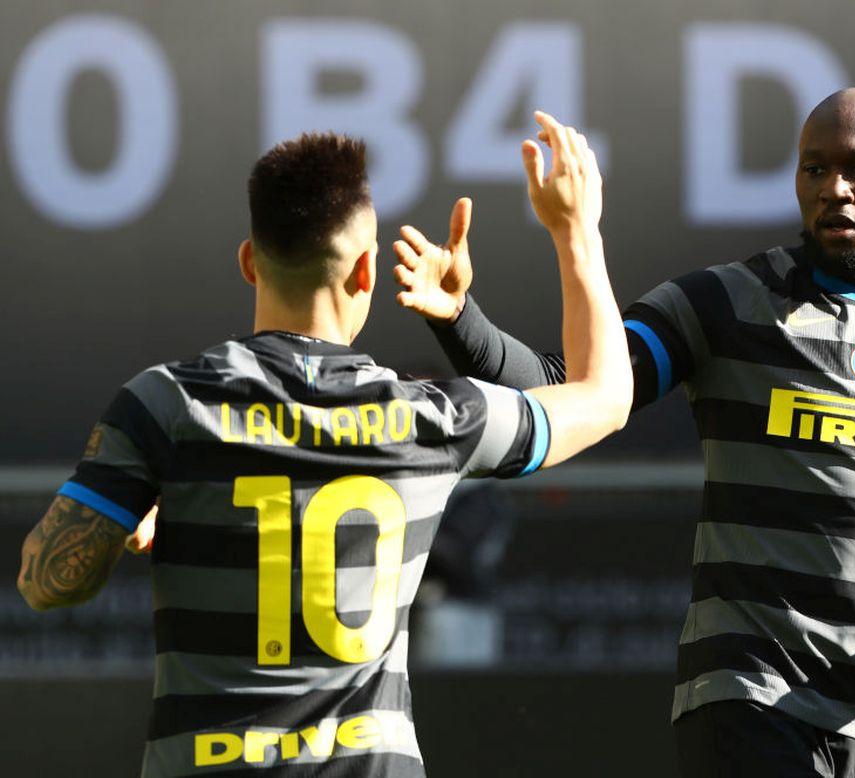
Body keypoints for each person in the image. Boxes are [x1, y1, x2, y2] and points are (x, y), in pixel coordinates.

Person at [395, 88, 855, 777]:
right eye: (814, 169)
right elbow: (576, 383)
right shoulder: (725, 302)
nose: (834, 189)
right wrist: (459, 319)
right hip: (752, 703)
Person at [16, 111, 631, 776]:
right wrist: (575, 233)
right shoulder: (433, 418)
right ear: (366, 271)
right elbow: (605, 396)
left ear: (250, 262)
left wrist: (125, 521)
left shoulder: (167, 404)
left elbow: (47, 583)